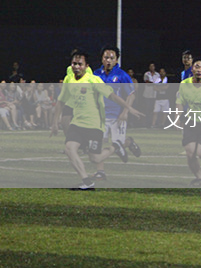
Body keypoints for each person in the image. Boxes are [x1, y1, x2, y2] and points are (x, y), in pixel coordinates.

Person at [50, 49, 143, 190]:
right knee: (69, 148)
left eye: (80, 64)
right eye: (74, 63)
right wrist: (55, 122)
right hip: (77, 123)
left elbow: (112, 96)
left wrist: (128, 108)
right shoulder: (69, 79)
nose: (76, 67)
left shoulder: (94, 80)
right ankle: (87, 182)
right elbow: (61, 101)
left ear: (86, 66)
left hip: (94, 125)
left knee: (95, 158)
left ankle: (116, 146)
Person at [92, 45, 141, 180]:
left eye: (111, 58)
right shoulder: (95, 74)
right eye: (106, 57)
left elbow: (131, 95)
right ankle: (100, 171)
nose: (108, 60)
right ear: (102, 59)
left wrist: (125, 112)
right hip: (100, 116)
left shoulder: (122, 75)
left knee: (117, 144)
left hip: (117, 116)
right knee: (99, 144)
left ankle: (128, 142)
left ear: (116, 60)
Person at [142, 61, 160, 127]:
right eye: (151, 66)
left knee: (153, 109)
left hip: (154, 94)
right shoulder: (146, 74)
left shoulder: (157, 74)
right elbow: (147, 82)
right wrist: (154, 83)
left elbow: (158, 83)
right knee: (147, 109)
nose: (152, 67)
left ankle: (152, 123)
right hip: (147, 94)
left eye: (153, 66)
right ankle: (146, 123)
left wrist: (153, 83)